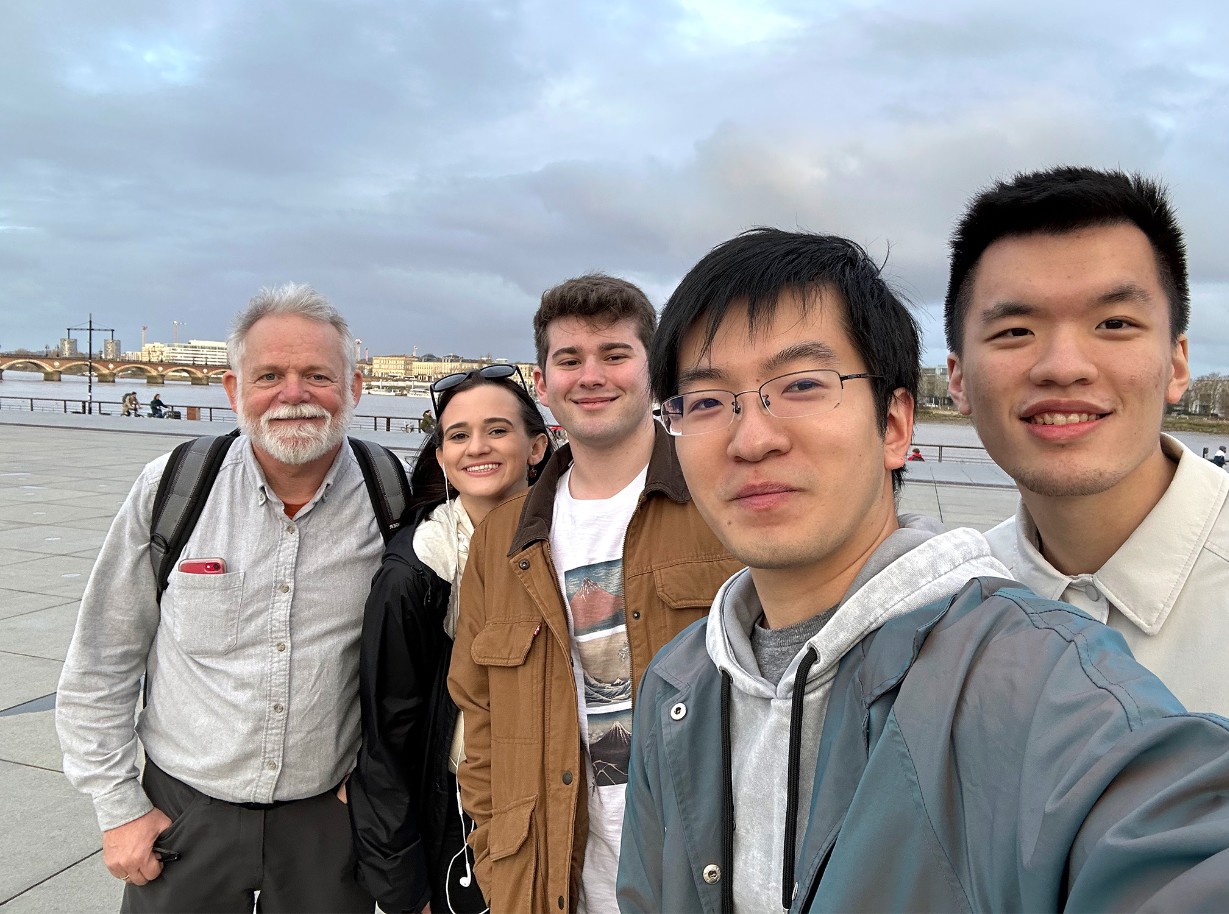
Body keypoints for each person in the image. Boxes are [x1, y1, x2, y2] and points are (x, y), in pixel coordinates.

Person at [617, 227, 1229, 912]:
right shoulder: (681, 682)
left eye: (803, 385)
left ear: (896, 426)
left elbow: (1195, 852)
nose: (751, 437)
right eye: (703, 402)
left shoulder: (1033, 676)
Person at [57, 284, 384, 912]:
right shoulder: (175, 489)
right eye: (269, 376)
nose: (294, 394)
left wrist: (381, 783)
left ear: (354, 388)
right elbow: (102, 659)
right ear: (235, 391)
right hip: (183, 819)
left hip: (331, 825)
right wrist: (119, 807)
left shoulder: (390, 497)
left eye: (318, 374)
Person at [944, 166, 1229, 740]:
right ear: (958, 380)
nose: (1063, 366)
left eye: (1115, 323)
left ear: (1176, 364)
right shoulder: (948, 605)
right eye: (1015, 331)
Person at [448, 274, 740, 914]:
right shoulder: (503, 538)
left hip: (702, 879)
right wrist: (498, 861)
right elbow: (481, 722)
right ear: (542, 379)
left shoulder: (723, 506)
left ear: (653, 370)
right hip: (549, 881)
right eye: (569, 359)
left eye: (614, 355)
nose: (591, 376)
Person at [349, 364, 551, 914]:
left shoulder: (575, 545)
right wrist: (403, 886)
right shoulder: (417, 570)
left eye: (498, 430)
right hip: (457, 818)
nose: (476, 447)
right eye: (458, 435)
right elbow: (388, 734)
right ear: (440, 457)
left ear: (538, 447)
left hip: (556, 802)